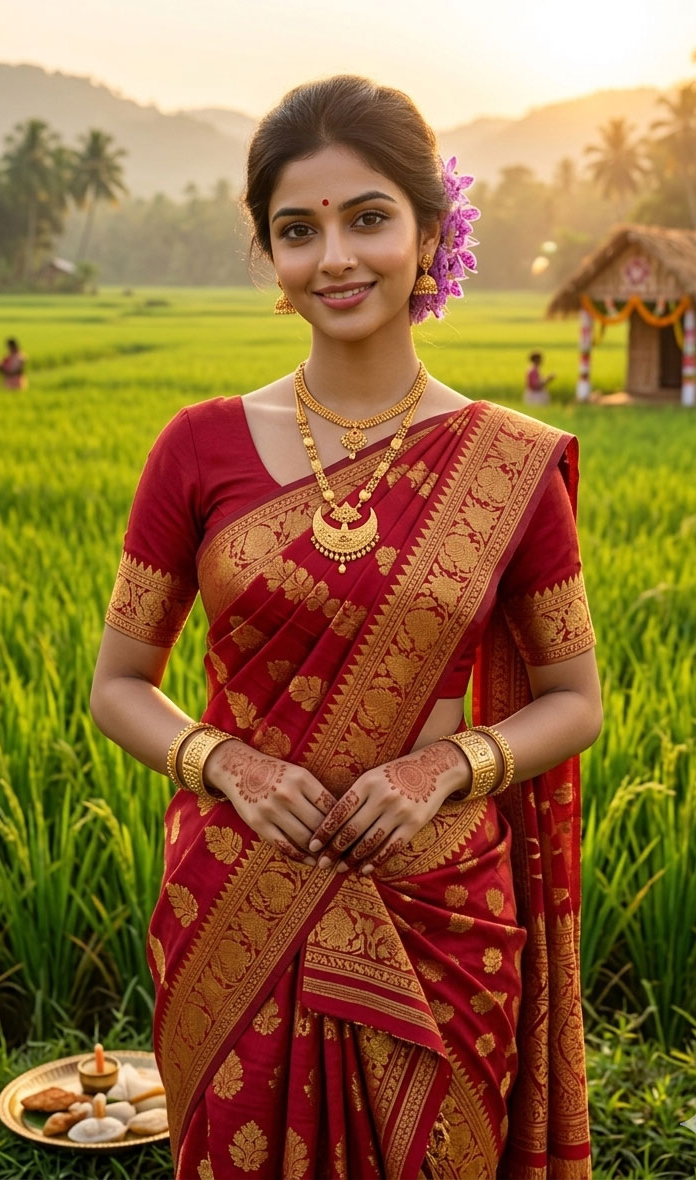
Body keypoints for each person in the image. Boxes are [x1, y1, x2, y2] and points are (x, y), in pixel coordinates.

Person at [91, 75, 601, 1180]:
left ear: (429, 234)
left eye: (367, 217)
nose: (334, 256)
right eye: (296, 228)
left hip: (439, 906)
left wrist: (445, 770)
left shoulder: (506, 465)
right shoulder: (197, 448)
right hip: (236, 889)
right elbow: (120, 682)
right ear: (269, 256)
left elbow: (574, 698)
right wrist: (219, 758)